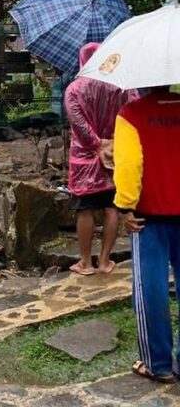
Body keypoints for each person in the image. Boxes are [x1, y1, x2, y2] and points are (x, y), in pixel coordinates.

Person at [114, 84, 180, 384]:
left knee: (150, 288)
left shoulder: (131, 114)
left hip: (149, 217)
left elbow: (130, 165)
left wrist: (125, 205)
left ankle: (159, 363)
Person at [65, 42, 134, 276]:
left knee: (84, 209)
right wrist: (112, 142)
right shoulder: (120, 87)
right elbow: (131, 112)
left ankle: (85, 262)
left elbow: (78, 124)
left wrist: (96, 144)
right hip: (115, 154)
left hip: (84, 159)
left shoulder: (74, 89)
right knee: (111, 207)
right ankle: (105, 261)